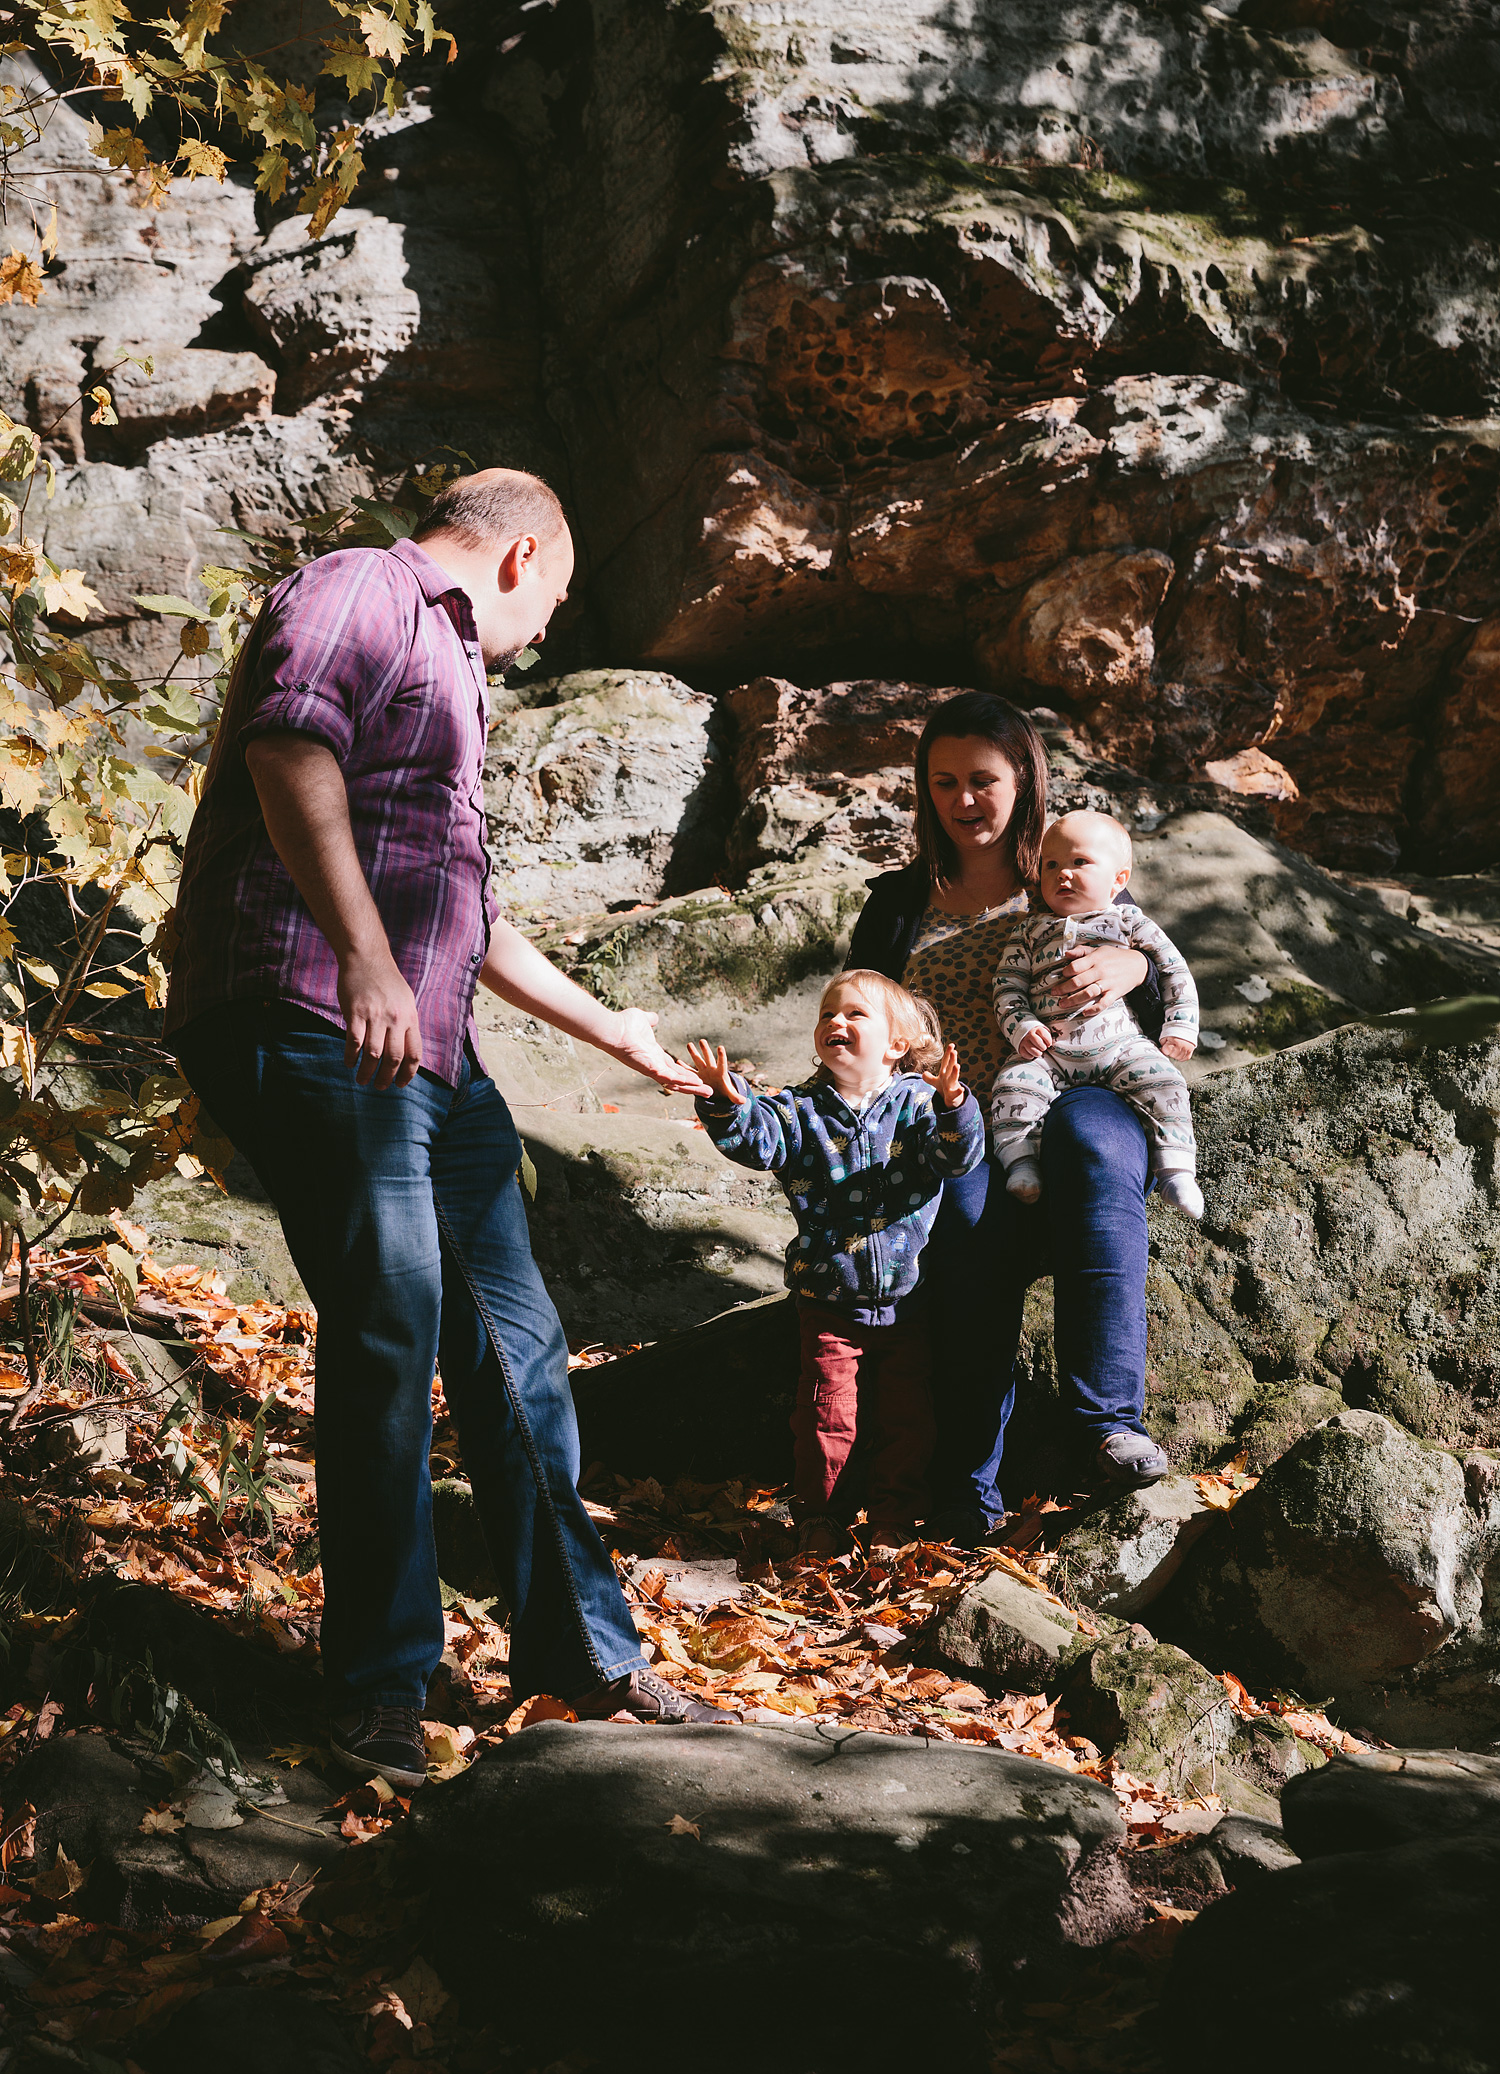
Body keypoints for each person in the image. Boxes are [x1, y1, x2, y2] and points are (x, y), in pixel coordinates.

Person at [165, 466, 732, 1788]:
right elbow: (285, 748)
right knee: (390, 1324)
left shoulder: (457, 677)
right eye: (562, 600)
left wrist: (618, 1034)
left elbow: (465, 909)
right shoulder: (366, 585)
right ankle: (378, 1683)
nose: (546, 631)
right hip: (310, 1008)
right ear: (527, 557)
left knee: (520, 1343)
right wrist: (361, 956)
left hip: (425, 1048)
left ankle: (580, 1647)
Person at [844, 690, 1173, 1538]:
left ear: (1024, 780)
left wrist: (1133, 968)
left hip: (1078, 1095)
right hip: (958, 1132)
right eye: (944, 781)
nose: (963, 801)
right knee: (967, 1226)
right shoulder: (896, 905)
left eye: (983, 780)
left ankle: (1110, 1425)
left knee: (1097, 1146)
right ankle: (969, 1492)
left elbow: (1163, 967)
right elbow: (854, 1022)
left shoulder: (1066, 872)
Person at [687, 972, 983, 1556]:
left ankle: (895, 1519)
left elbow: (957, 1158)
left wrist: (956, 1104)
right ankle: (821, 1518)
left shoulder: (919, 1103)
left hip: (906, 1293)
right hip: (827, 1293)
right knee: (826, 1413)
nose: (835, 1023)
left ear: (898, 1045)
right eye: (827, 1014)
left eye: (855, 1014)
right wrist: (725, 1100)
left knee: (908, 1413)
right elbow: (758, 1139)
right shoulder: (800, 1109)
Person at [993, 809, 1203, 1219]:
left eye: (1079, 862)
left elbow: (1174, 970)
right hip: (1049, 1052)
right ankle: (1021, 1163)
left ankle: (1176, 1169)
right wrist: (1023, 1027)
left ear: (1119, 879)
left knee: (1164, 1080)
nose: (1062, 874)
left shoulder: (1129, 922)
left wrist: (1181, 1025)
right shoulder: (1029, 931)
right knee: (1012, 1083)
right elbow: (1007, 986)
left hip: (1121, 1046)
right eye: (1050, 865)